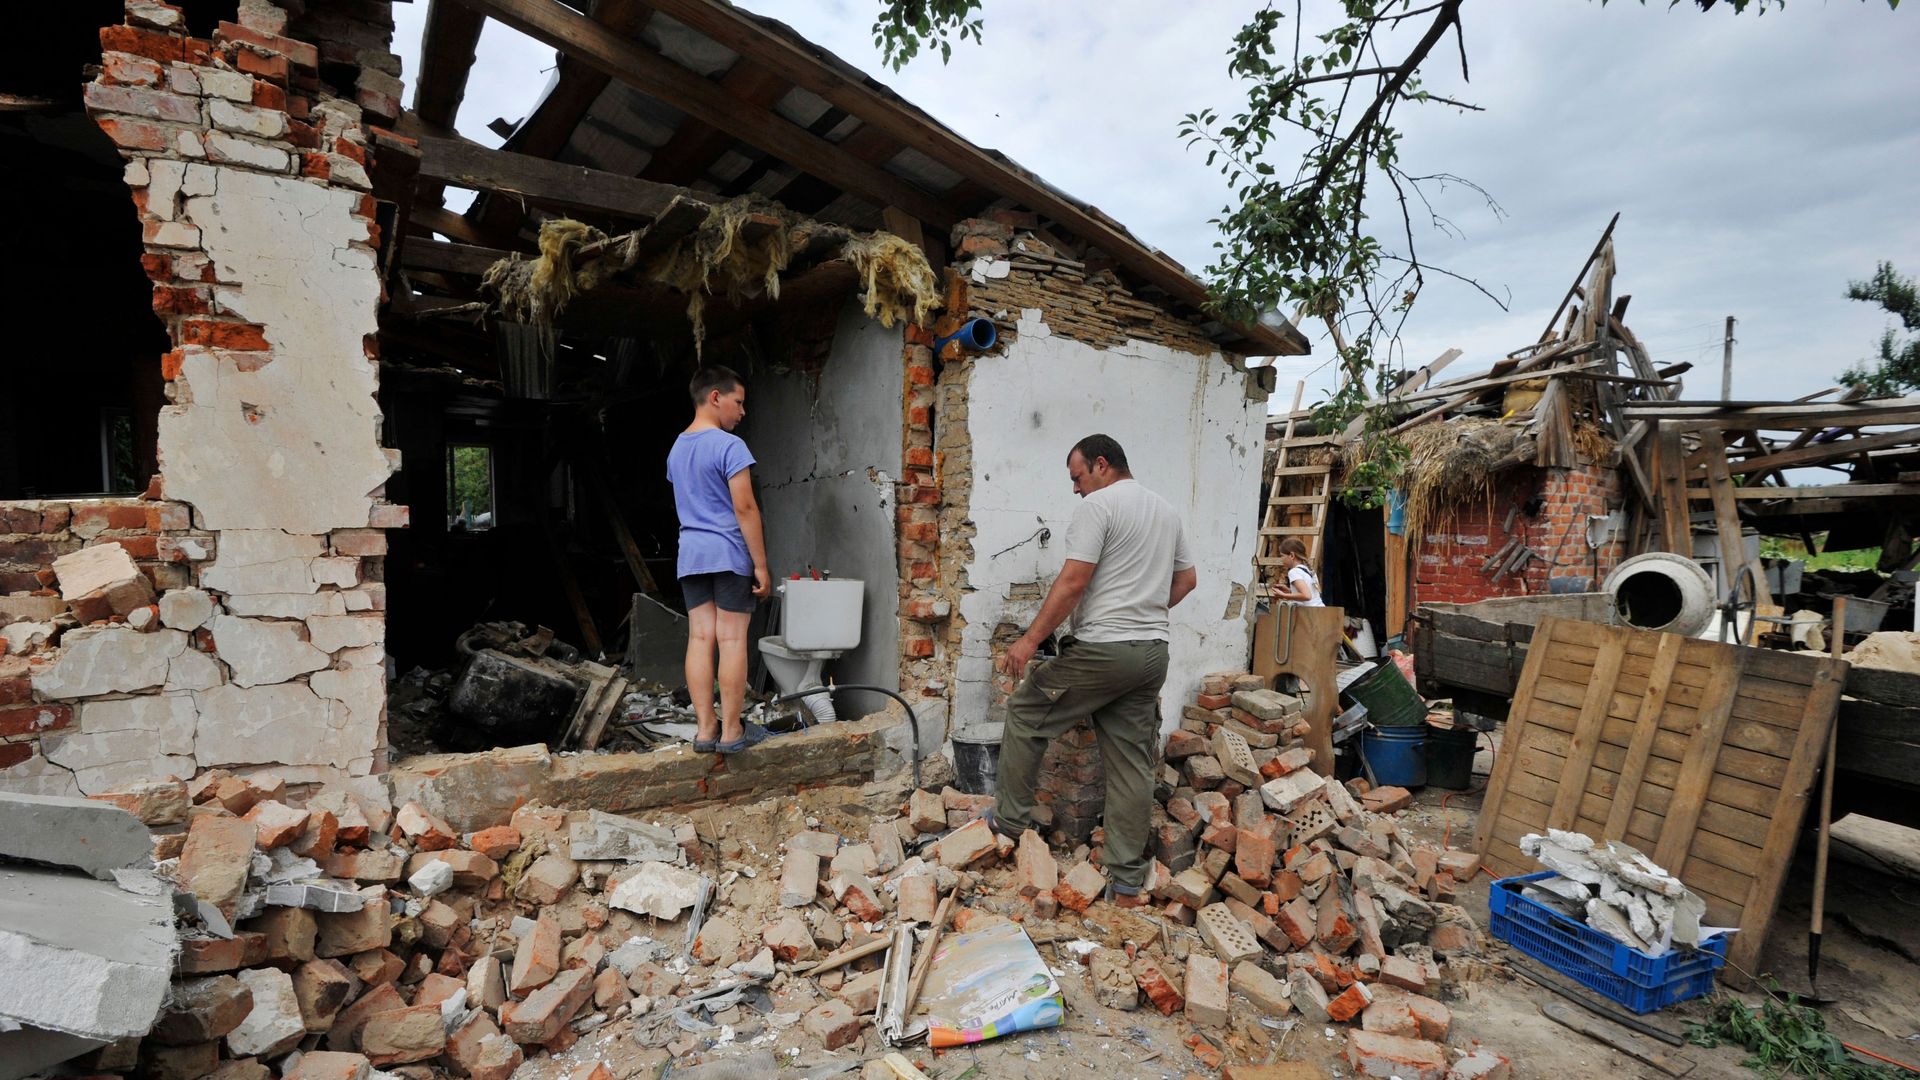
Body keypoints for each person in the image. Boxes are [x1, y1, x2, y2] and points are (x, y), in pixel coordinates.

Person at [989, 434, 1197, 907]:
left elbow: (1073, 582)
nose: (1076, 489)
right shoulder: (1165, 510)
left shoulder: (1099, 507)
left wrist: (1029, 640)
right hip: (1151, 653)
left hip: (1104, 650)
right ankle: (1126, 881)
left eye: (1078, 477)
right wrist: (1141, 612)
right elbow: (1187, 580)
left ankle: (1008, 823)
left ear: (1101, 465)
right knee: (1129, 762)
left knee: (1025, 713)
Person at [668, 365, 773, 754]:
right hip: (728, 553)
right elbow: (745, 507)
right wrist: (760, 564)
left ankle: (704, 730)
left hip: (691, 556)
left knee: (699, 638)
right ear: (715, 397)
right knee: (731, 640)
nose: (742, 412)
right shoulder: (730, 446)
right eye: (738, 402)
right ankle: (731, 733)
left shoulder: (677, 449)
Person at [1269, 537, 1324, 606]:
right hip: (1320, 610)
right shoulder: (1308, 570)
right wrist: (1290, 591)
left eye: (1282, 556)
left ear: (1292, 555)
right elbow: (1310, 594)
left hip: (1311, 613)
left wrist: (1284, 595)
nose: (1281, 559)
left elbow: (1307, 596)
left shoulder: (1294, 572)